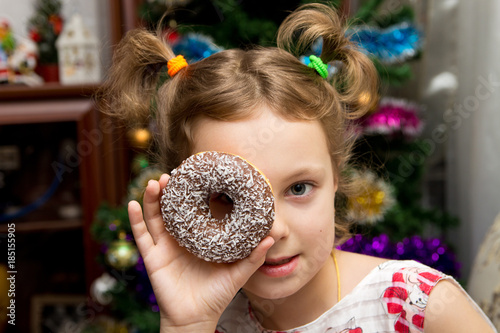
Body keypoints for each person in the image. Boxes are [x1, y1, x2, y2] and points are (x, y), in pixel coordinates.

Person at [98, 3, 497, 333]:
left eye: (299, 188)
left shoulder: (419, 308)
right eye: (226, 198)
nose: (274, 229)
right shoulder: (206, 319)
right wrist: (189, 325)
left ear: (336, 177)